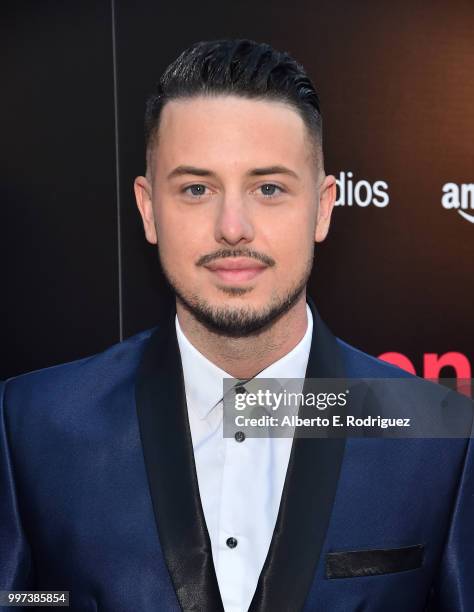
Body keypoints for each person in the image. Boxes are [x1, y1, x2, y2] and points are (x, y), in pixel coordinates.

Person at [1, 39, 473, 612]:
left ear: (323, 207)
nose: (232, 227)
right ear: (149, 210)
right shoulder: (33, 423)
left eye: (268, 188)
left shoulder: (441, 435)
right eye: (196, 189)